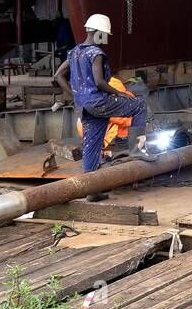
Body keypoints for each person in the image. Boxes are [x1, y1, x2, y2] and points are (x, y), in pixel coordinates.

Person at [53, 14, 154, 200]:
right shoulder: (96, 53)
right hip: (99, 102)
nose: (106, 38)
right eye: (105, 34)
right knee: (139, 105)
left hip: (84, 107)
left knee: (92, 145)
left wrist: (75, 95)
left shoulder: (75, 52)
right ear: (99, 33)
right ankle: (138, 150)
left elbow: (58, 75)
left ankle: (92, 192)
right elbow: (99, 82)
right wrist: (119, 93)